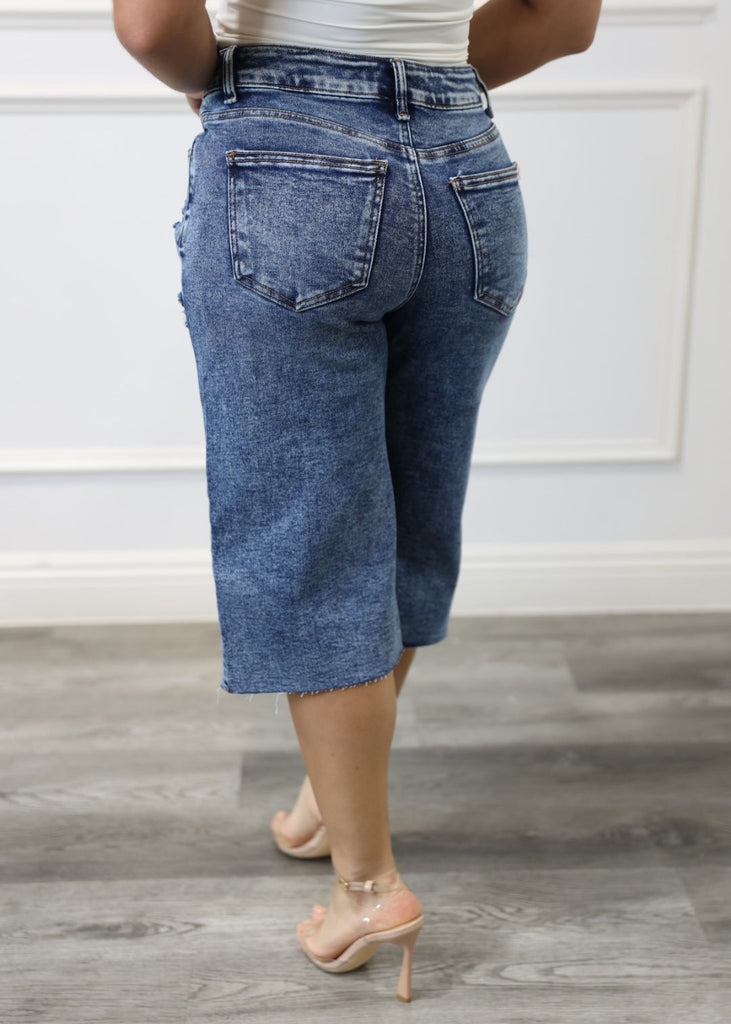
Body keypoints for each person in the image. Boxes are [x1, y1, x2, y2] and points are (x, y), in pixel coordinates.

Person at [113, 0, 602, 1002]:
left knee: (309, 532)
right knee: (409, 516)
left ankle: (367, 885)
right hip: (468, 168)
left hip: (285, 159)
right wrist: (410, 86)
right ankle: (325, 798)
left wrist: (271, 94)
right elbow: (563, 19)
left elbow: (153, 27)